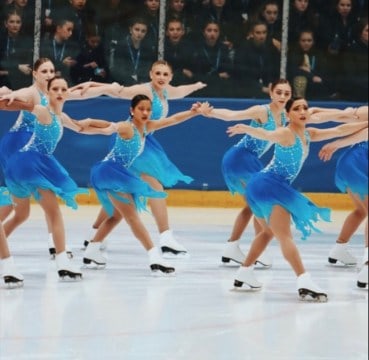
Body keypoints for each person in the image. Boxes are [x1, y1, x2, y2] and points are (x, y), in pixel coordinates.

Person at [226, 97, 367, 301]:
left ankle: (244, 272)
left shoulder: (309, 134)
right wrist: (248, 130)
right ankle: (303, 279)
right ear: (289, 114)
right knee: (284, 235)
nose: (302, 111)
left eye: (305, 108)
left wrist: (364, 123)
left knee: (267, 233)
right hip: (269, 185)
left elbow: (339, 131)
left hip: (262, 186)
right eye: (296, 109)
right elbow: (268, 134)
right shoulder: (286, 133)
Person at [69, 60, 207, 255]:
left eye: (165, 75)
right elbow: (117, 91)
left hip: (144, 141)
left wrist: (197, 86)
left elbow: (181, 93)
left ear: (170, 77)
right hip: (131, 139)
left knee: (120, 190)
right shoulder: (145, 91)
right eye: (157, 73)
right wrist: (90, 87)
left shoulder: (166, 91)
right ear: (150, 74)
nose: (161, 78)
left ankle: (93, 236)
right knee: (155, 185)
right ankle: (166, 237)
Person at [0, 76, 117, 284]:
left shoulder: (60, 117)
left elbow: (82, 126)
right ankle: (62, 262)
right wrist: (9, 96)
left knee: (22, 213)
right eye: (55, 89)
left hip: (19, 168)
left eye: (64, 89)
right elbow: (19, 105)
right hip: (31, 164)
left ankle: (7, 266)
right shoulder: (43, 111)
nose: (61, 92)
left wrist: (108, 128)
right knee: (54, 213)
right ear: (49, 93)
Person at [83, 95, 210, 274]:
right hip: (111, 173)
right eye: (141, 108)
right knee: (132, 217)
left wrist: (193, 112)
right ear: (131, 110)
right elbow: (110, 127)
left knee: (117, 216)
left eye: (148, 109)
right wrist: (87, 123)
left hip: (115, 174)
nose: (145, 112)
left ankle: (92, 250)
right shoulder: (127, 127)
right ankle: (154, 256)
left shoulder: (147, 127)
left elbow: (173, 119)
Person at [202, 79, 291, 267]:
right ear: (271, 93)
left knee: (252, 205)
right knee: (260, 202)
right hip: (239, 159)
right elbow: (232, 115)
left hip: (250, 161)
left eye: (286, 93)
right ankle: (256, 250)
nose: (282, 96)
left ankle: (232, 247)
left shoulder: (285, 117)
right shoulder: (262, 111)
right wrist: (210, 112)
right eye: (279, 92)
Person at [317, 105, 368, 288]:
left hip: (353, 163)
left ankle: (339, 249)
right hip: (358, 164)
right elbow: (343, 118)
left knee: (362, 211)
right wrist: (336, 143)